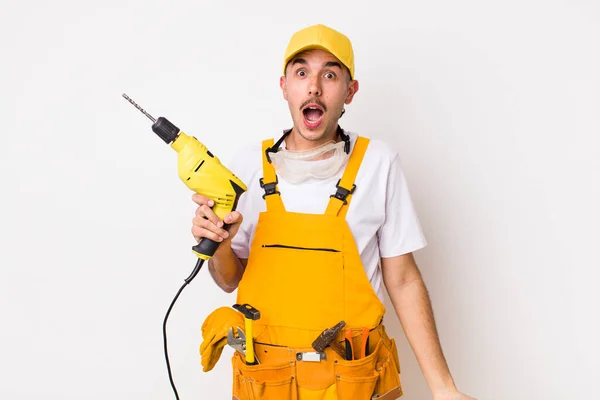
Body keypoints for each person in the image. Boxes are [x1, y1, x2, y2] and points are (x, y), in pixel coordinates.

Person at [193, 24, 476, 400]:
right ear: (284, 87)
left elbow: (403, 280)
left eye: (330, 74)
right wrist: (220, 244)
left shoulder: (378, 163)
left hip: (354, 384)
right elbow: (230, 280)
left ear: (349, 91)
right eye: (301, 72)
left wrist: (444, 389)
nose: (314, 86)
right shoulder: (247, 166)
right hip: (267, 384)